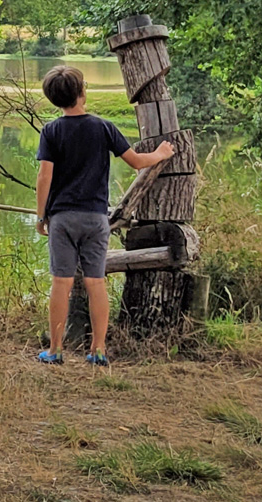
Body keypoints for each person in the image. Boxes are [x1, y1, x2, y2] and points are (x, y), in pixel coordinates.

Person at [34, 65, 173, 366]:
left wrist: (41, 215)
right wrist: (160, 154)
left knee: (62, 282)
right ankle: (98, 350)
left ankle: (55, 350)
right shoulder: (104, 127)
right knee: (96, 282)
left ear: (53, 99)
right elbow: (136, 161)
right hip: (96, 218)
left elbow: (44, 177)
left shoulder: (51, 131)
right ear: (83, 93)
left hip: (62, 218)